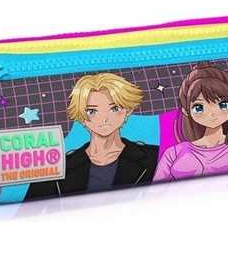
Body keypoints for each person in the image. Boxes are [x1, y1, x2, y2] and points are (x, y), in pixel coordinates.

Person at [25, 72, 158, 198]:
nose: (104, 119)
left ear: (128, 110)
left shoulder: (154, 157)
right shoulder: (57, 168)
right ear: (80, 115)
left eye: (114, 108)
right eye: (92, 111)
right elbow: (29, 210)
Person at [153, 62, 228, 182]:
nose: (212, 114)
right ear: (186, 111)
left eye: (223, 105)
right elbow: (156, 188)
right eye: (199, 108)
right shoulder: (173, 153)